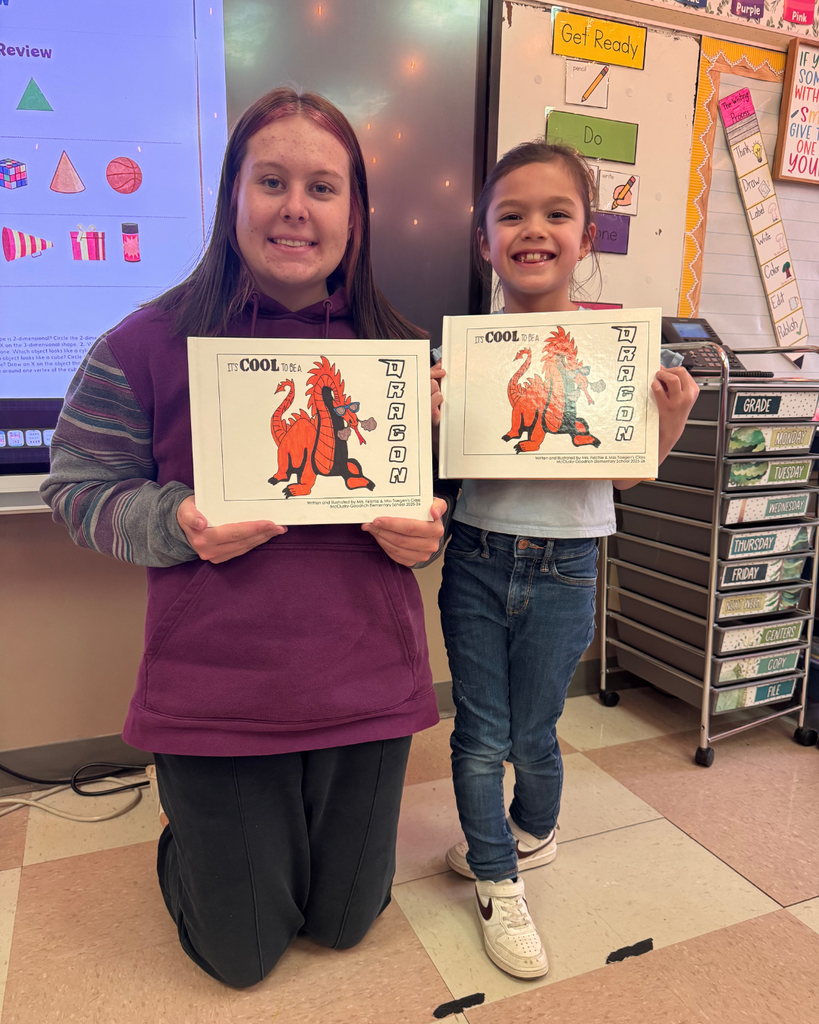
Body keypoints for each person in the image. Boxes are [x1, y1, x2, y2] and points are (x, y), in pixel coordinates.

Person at [41, 88, 449, 989]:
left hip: (365, 683)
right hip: (216, 694)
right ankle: (192, 837)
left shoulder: (403, 354)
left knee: (346, 926)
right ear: (232, 198)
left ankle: (264, 845)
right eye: (271, 181)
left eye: (323, 187)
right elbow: (74, 487)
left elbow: (433, 500)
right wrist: (174, 520)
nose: (296, 208)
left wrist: (428, 531)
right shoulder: (144, 343)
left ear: (357, 212)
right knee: (243, 955)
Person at [437, 140, 699, 980]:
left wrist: (672, 417)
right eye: (509, 215)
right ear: (484, 239)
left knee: (534, 728)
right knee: (479, 731)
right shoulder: (471, 347)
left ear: (586, 238)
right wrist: (431, 402)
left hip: (568, 562)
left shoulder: (612, 347)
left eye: (556, 214)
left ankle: (532, 830)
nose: (532, 230)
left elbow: (626, 468)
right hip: (476, 552)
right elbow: (441, 462)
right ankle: (495, 877)